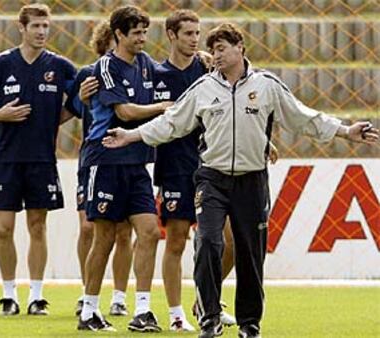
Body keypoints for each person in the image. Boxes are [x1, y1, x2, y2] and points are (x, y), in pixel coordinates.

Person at [102, 23, 379, 338]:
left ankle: (250, 324)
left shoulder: (267, 85)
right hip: (211, 179)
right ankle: (209, 320)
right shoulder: (203, 87)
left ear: (240, 48)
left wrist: (345, 131)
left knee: (250, 252)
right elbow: (171, 122)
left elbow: (303, 118)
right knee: (207, 243)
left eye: (221, 48)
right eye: (214, 49)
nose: (215, 55)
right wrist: (131, 135)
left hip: (252, 181)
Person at [0, 4, 77, 316]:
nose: (42, 32)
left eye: (46, 26)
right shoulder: (1, 63)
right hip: (5, 158)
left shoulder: (60, 66)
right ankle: (8, 294)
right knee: (4, 228)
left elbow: (80, 99)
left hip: (42, 159)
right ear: (22, 28)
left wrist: (54, 119)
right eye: (36, 26)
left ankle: (37, 295)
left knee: (37, 226)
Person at [77, 6, 172, 332]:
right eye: (137, 33)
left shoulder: (146, 64)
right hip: (104, 160)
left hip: (136, 162)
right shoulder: (105, 67)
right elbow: (126, 112)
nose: (143, 38)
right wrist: (162, 107)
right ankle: (89, 309)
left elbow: (170, 75)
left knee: (149, 231)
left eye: (146, 32)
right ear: (119, 34)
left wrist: (199, 60)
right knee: (103, 236)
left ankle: (142, 311)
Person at [152, 10, 239, 331]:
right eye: (187, 33)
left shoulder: (208, 70)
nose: (194, 39)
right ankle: (176, 316)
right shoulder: (155, 73)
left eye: (197, 33)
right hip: (174, 167)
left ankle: (206, 300)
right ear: (172, 35)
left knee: (229, 242)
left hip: (212, 165)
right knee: (176, 241)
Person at [67, 21, 133, 318]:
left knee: (123, 231)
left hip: (127, 156)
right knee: (88, 227)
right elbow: (66, 114)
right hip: (93, 160)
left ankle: (119, 296)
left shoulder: (135, 73)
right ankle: (87, 292)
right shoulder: (87, 75)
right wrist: (81, 99)